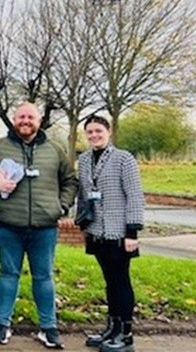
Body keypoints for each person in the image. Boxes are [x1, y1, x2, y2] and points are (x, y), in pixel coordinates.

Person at [0, 103, 79, 349]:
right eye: (21, 116)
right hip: (9, 224)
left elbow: (70, 181)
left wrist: (61, 207)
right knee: (8, 275)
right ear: (14, 119)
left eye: (30, 117)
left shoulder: (54, 149)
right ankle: (1, 325)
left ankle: (48, 327)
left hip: (45, 226)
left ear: (39, 121)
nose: (25, 121)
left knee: (44, 277)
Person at [78, 115, 144, 352]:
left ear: (109, 132)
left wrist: (132, 232)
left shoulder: (123, 159)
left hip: (119, 231)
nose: (94, 135)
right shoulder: (84, 160)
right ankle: (112, 327)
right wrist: (83, 225)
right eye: (90, 132)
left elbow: (135, 195)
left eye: (99, 131)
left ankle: (125, 334)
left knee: (121, 281)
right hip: (97, 230)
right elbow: (83, 195)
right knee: (109, 282)